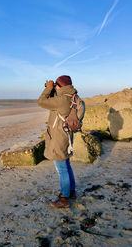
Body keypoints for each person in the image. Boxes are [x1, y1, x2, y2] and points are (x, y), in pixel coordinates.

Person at [38, 75, 77, 208]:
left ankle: (64, 198)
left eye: (56, 85)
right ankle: (71, 192)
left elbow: (42, 102)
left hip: (58, 137)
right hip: (67, 136)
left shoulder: (62, 100)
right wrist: (54, 88)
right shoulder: (72, 97)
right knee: (66, 164)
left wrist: (48, 89)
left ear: (60, 86)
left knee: (61, 169)